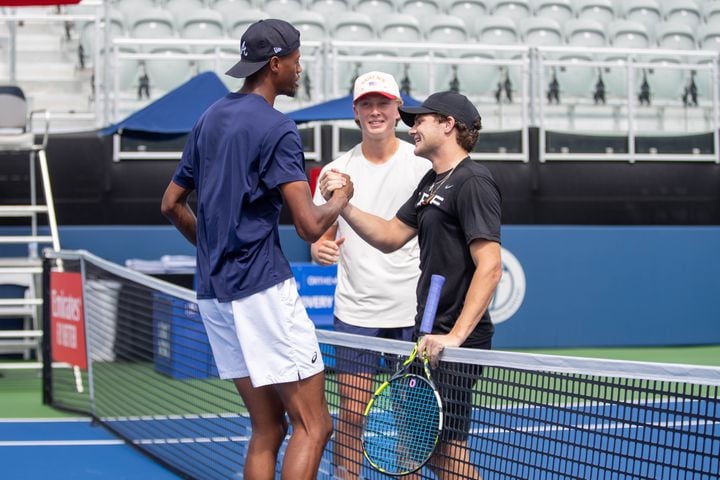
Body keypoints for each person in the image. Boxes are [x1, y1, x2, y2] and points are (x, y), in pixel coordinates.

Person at [160, 19, 354, 480]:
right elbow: (309, 226)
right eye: (295, 59)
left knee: (268, 427)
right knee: (315, 425)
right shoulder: (278, 128)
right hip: (262, 292)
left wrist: (213, 249)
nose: (299, 68)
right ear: (275, 64)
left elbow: (171, 204)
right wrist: (342, 197)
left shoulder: (209, 118)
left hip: (214, 294)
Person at [319, 91, 502, 479]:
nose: (412, 126)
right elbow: (388, 235)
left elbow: (490, 266)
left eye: (421, 120)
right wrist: (345, 203)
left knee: (444, 449)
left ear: (448, 125)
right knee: (424, 446)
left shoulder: (473, 182)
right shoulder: (432, 182)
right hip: (429, 334)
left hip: (453, 339)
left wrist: (454, 336)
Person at [310, 71, 431, 479]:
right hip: (356, 312)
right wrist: (318, 247)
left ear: (398, 110)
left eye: (383, 103)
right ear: (356, 112)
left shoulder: (423, 165)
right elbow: (321, 233)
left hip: (411, 315)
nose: (375, 111)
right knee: (351, 412)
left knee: (411, 422)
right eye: (367, 104)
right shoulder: (335, 171)